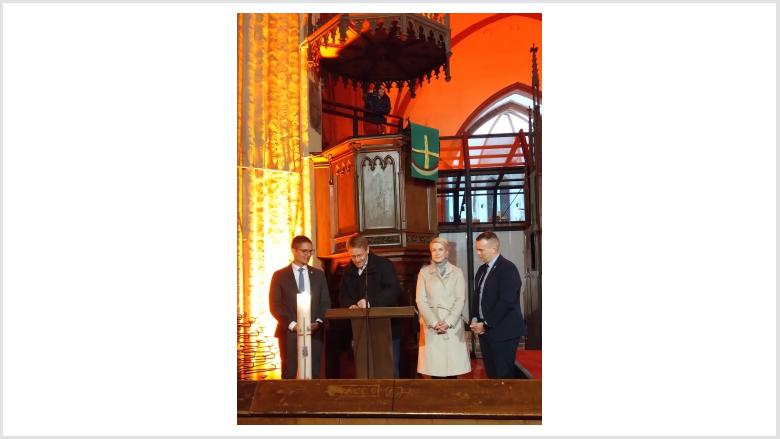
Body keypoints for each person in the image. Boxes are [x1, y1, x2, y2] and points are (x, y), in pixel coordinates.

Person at [338, 234, 402, 377]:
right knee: (365, 371)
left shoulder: (383, 265)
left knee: (389, 371)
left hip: (386, 328)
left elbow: (393, 290)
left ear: (367, 250)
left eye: (360, 255)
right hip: (360, 329)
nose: (357, 260)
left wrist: (370, 302)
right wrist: (350, 305)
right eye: (353, 256)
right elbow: (343, 295)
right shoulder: (348, 271)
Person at [269, 235, 331, 379]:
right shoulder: (279, 275)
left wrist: (318, 322)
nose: (308, 255)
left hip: (314, 332)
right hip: (289, 332)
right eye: (304, 251)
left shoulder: (319, 275)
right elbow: (275, 305)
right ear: (294, 250)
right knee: (289, 374)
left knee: (313, 374)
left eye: (310, 251)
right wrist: (293, 325)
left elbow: (325, 302)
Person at [469, 231, 525, 379]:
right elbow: (477, 297)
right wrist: (475, 319)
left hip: (504, 332)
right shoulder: (482, 270)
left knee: (503, 376)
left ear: (493, 249)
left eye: (481, 250)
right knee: (492, 375)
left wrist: (486, 324)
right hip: (486, 332)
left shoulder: (508, 268)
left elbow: (506, 302)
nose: (478, 253)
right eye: (477, 249)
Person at [416, 237, 471, 379]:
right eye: (434, 250)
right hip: (431, 325)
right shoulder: (424, 273)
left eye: (440, 249)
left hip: (451, 326)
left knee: (452, 370)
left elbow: (460, 299)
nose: (437, 253)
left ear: (447, 252)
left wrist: (448, 322)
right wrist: (434, 322)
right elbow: (420, 300)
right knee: (435, 370)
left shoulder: (457, 272)